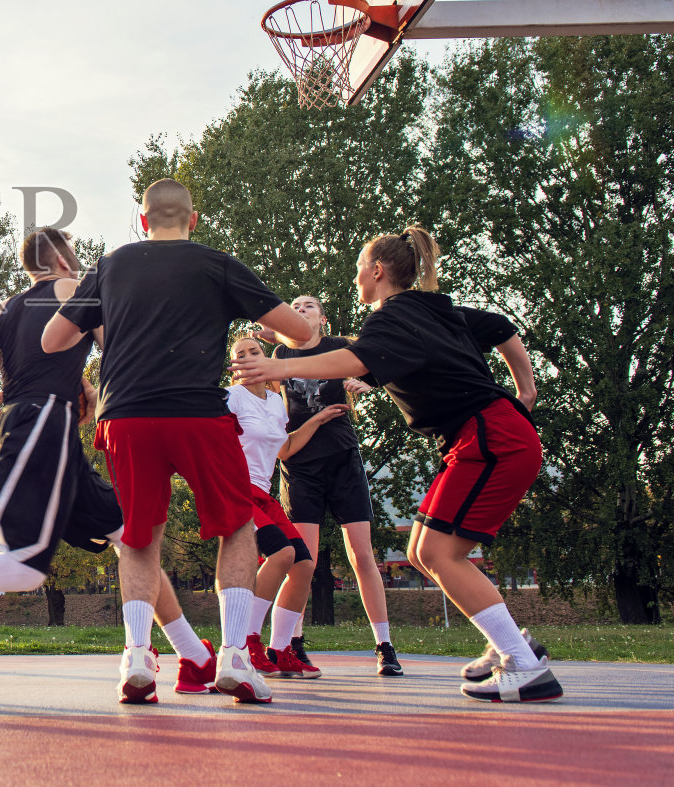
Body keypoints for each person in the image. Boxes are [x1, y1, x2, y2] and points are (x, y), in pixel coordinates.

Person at [0, 227, 225, 703]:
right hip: (44, 425)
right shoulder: (74, 287)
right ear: (64, 261)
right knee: (26, 567)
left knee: (130, 534)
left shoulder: (4, 310)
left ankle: (192, 656)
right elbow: (119, 345)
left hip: (46, 425)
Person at [232, 225, 560, 703]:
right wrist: (525, 388)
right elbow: (501, 326)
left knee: (438, 555)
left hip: (491, 437)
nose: (356, 276)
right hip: (489, 435)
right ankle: (509, 644)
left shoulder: (391, 320)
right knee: (424, 551)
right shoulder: (435, 308)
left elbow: (354, 360)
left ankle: (524, 666)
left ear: (378, 271)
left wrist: (278, 367)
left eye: (360, 267)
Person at [39, 179, 316, 705]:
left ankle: (137, 657)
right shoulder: (217, 264)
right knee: (236, 527)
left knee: (141, 538)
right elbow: (298, 333)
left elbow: (53, 339)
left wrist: (106, 320)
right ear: (192, 220)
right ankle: (235, 654)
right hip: (196, 413)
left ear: (143, 221)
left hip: (126, 417)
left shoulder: (112, 264)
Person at [257, 294, 404, 677]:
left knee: (361, 554)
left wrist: (368, 382)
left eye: (308, 306)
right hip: (301, 465)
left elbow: (388, 361)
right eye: (296, 306)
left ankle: (384, 646)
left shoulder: (340, 348)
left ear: (323, 319)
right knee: (304, 559)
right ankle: (293, 643)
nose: (301, 309)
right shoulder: (279, 357)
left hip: (342, 458)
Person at [224, 333, 343, 680]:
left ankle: (281, 650)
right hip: (237, 491)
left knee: (305, 564)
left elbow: (285, 448)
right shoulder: (231, 398)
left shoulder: (276, 402)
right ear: (235, 367)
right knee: (281, 555)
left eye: (254, 351)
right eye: (240, 354)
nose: (248, 357)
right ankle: (246, 645)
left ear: (265, 358)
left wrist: (317, 421)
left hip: (264, 493)